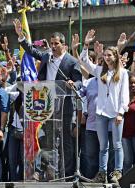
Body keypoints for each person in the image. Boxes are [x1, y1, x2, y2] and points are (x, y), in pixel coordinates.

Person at [13, 18, 82, 177]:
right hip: (46, 105)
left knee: (64, 141)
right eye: (51, 43)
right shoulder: (46, 57)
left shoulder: (71, 62)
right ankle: (50, 172)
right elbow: (31, 51)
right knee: (48, 141)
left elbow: (79, 82)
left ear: (64, 45)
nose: (53, 46)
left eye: (56, 43)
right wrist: (21, 36)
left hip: (63, 106)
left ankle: (68, 173)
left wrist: (73, 84)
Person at [80, 29, 129, 183]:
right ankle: (102, 173)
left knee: (117, 144)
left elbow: (124, 95)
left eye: (109, 55)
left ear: (115, 57)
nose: (106, 58)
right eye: (105, 55)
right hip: (101, 114)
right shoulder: (99, 71)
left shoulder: (122, 73)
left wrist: (121, 112)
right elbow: (84, 61)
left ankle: (117, 172)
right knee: (103, 146)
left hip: (115, 114)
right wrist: (86, 44)